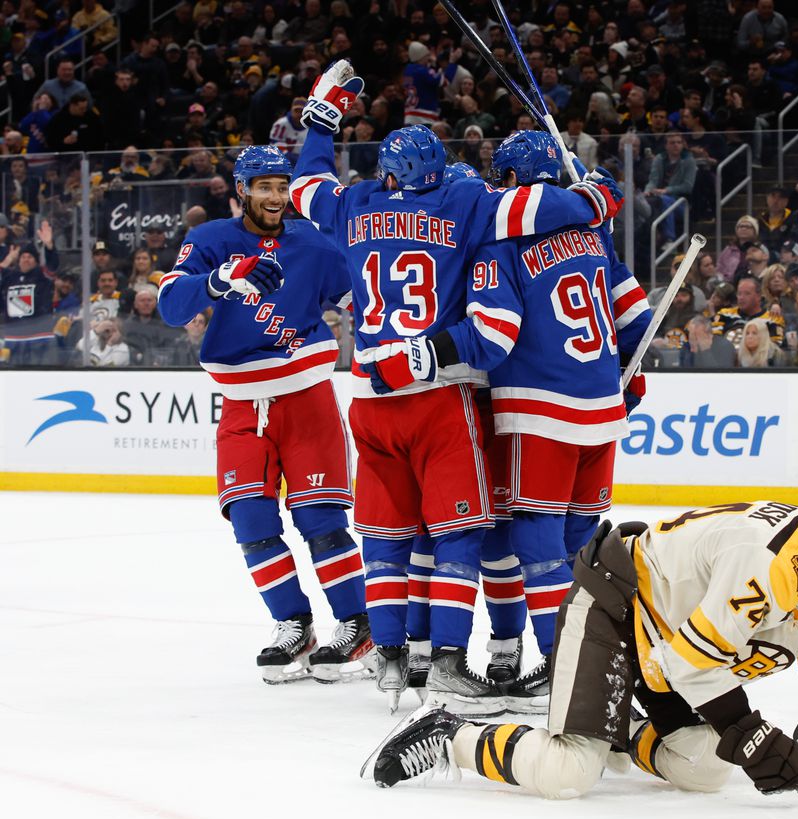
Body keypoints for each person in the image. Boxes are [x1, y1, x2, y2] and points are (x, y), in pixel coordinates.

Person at [288, 60, 625, 710]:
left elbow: (306, 183)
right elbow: (533, 210)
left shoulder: (353, 203)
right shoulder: (466, 202)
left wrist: (322, 121)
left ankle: (392, 660)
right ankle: (450, 658)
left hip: (368, 394)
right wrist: (595, 197)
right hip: (442, 393)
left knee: (387, 537)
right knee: (462, 535)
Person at [366, 486, 798, 808]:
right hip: (616, 605)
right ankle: (451, 734)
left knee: (706, 770)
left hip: (668, 646)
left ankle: (618, 734)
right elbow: (696, 664)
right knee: (569, 772)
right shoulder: (765, 563)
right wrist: (751, 734)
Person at [375, 131, 651, 714]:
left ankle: (560, 666)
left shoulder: (500, 243)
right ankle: (597, 657)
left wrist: (418, 358)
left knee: (533, 545)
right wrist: (629, 370)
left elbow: (494, 336)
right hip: (602, 412)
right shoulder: (594, 234)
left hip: (539, 411)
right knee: (579, 548)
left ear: (507, 182)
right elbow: (637, 316)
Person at [156, 145, 372, 685]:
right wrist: (220, 279)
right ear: (242, 190)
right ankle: (292, 625)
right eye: (265, 187)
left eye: (283, 186)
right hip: (240, 403)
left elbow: (367, 305)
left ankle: (356, 624)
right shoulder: (211, 241)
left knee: (321, 522)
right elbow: (170, 308)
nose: (276, 197)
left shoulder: (317, 245)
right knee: (251, 521)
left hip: (306, 397)